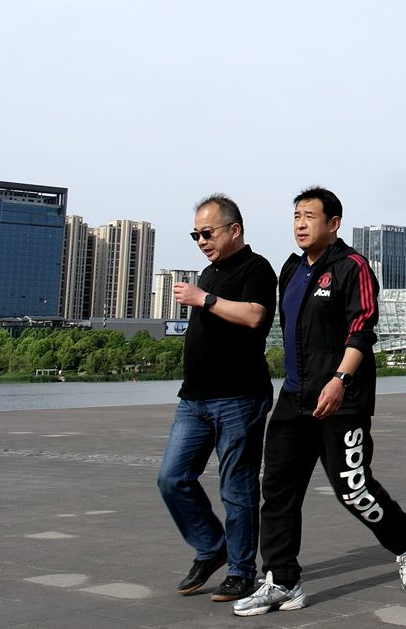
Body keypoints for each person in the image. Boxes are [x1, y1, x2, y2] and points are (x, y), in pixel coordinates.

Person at [235, 188, 406, 617]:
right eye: (296, 216)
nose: (300, 224)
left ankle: (405, 538)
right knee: (278, 490)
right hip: (294, 398)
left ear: (334, 223)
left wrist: (340, 379)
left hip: (342, 399)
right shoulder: (291, 269)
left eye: (309, 216)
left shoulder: (352, 266)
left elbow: (362, 329)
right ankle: (283, 581)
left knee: (352, 489)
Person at [158, 195, 278, 604]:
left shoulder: (257, 268)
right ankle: (212, 547)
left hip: (239, 397)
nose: (201, 241)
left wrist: (204, 299)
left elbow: (255, 316)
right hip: (194, 399)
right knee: (172, 478)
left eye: (207, 233)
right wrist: (202, 293)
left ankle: (241, 571)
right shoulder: (208, 273)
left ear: (234, 230)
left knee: (237, 488)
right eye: (195, 235)